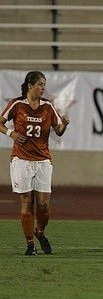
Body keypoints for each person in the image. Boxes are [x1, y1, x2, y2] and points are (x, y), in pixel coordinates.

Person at [0, 71, 70, 255]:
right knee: (26, 202)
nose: (43, 88)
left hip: (42, 160)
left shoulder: (48, 107)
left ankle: (40, 232)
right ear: (31, 86)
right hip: (21, 159)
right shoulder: (17, 104)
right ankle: (30, 244)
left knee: (43, 204)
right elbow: (0, 122)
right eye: (40, 84)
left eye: (44, 85)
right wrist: (11, 133)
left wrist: (64, 124)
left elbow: (59, 131)